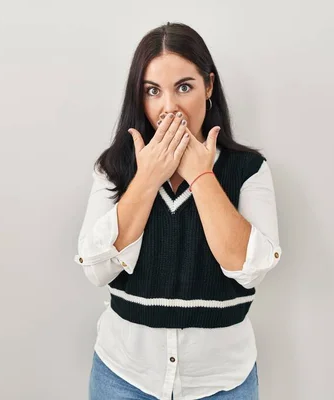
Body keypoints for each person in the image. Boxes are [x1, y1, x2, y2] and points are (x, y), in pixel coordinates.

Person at [74, 22, 282, 400]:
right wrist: (147, 180)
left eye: (184, 87)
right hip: (123, 377)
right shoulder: (114, 169)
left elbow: (250, 269)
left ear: (209, 87)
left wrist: (201, 174)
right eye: (153, 91)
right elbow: (95, 268)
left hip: (223, 383)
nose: (169, 107)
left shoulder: (248, 170)